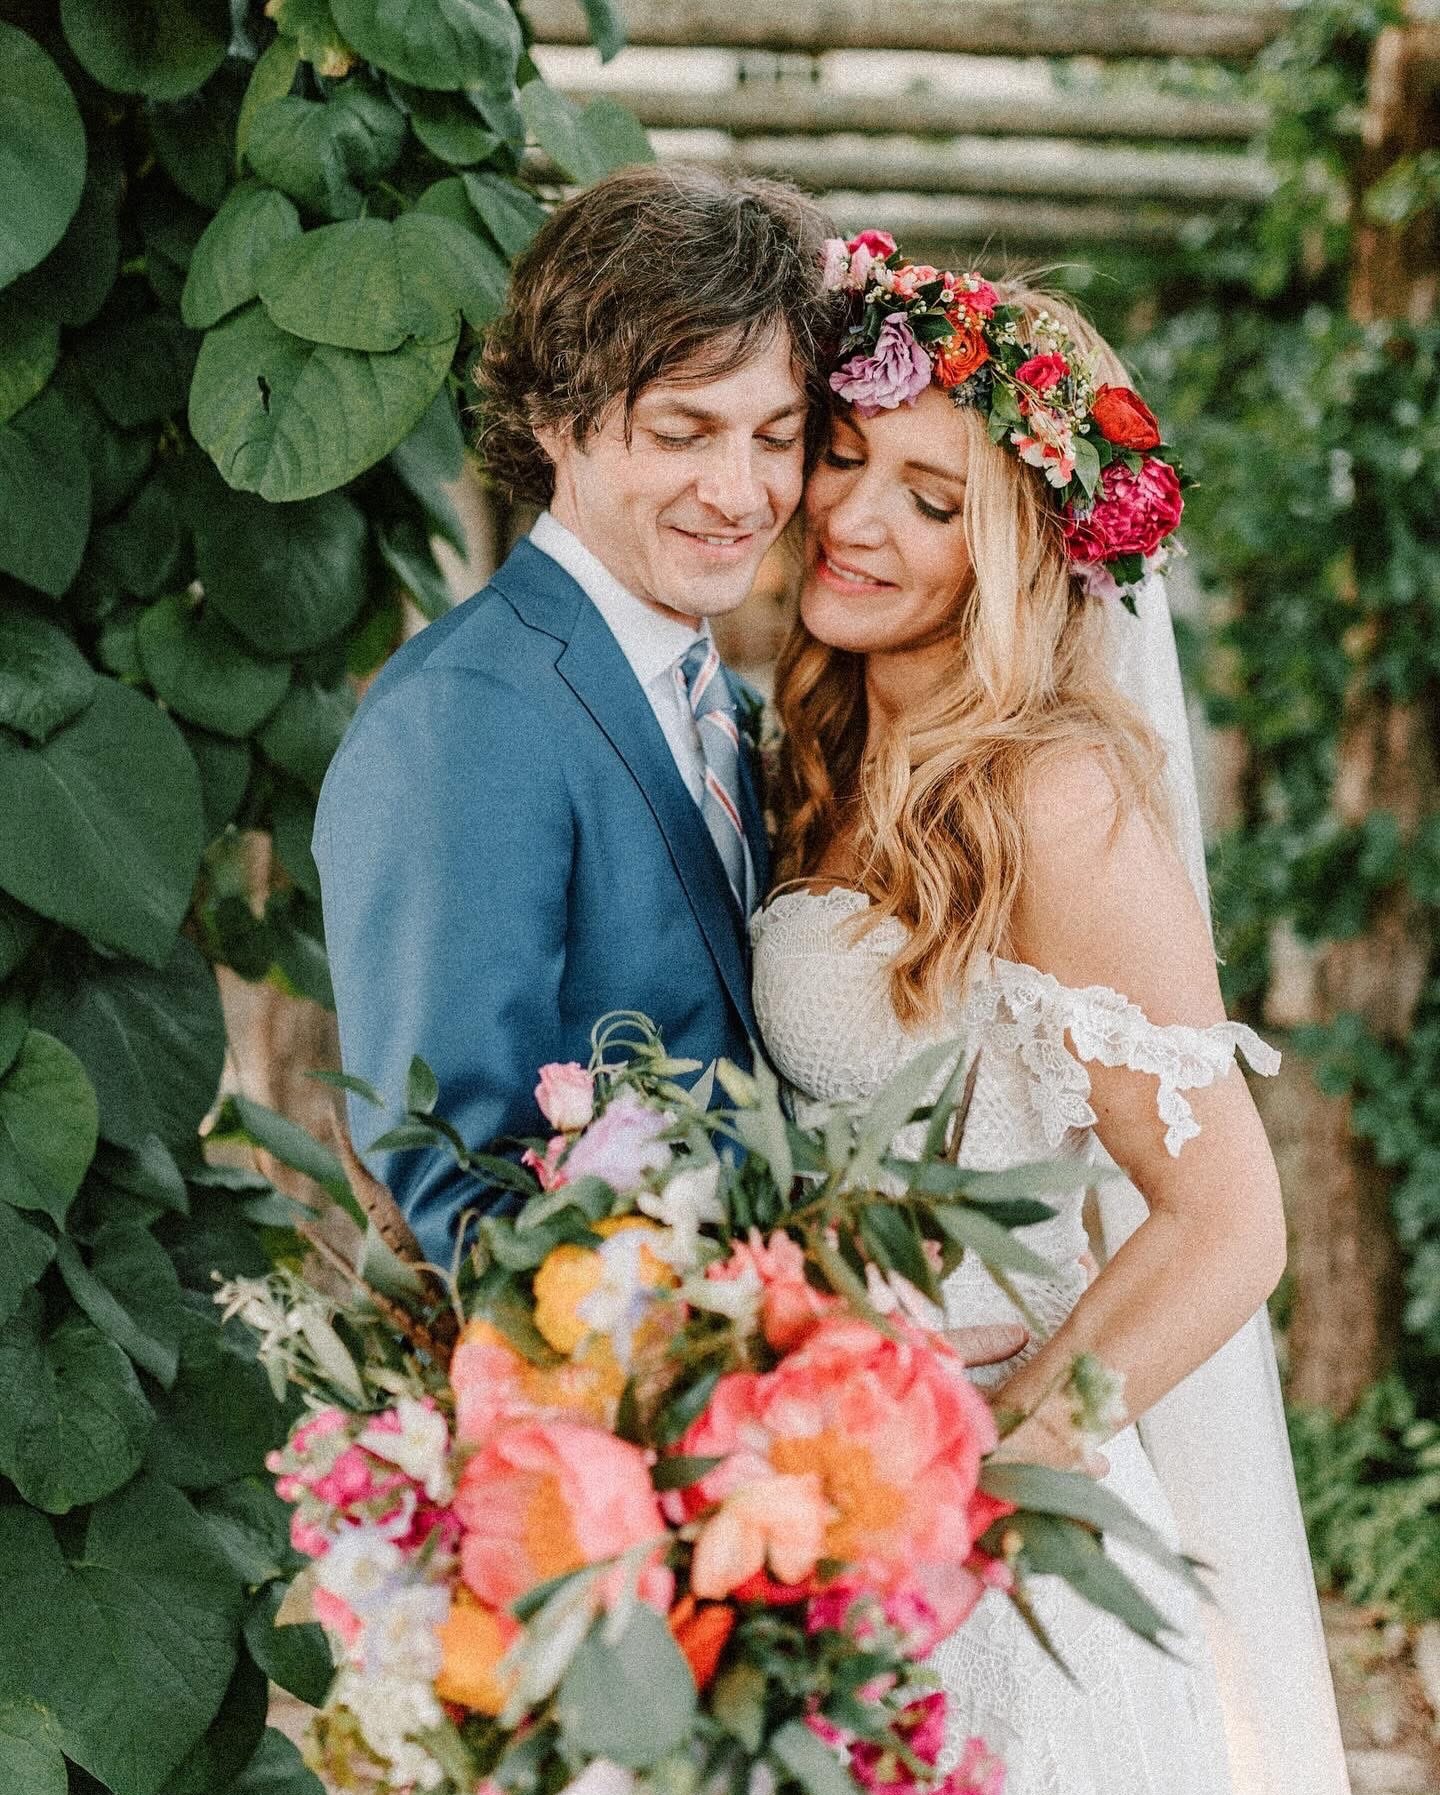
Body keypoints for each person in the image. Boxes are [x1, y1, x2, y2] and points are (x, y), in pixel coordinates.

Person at [751, 237, 1352, 1793]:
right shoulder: (823, 759)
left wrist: (991, 1469)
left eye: (933, 500)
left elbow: (1226, 1220)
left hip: (990, 1553)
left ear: (1014, 552)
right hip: (816, 1495)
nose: (856, 516)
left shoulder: (1053, 796)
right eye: (843, 453)